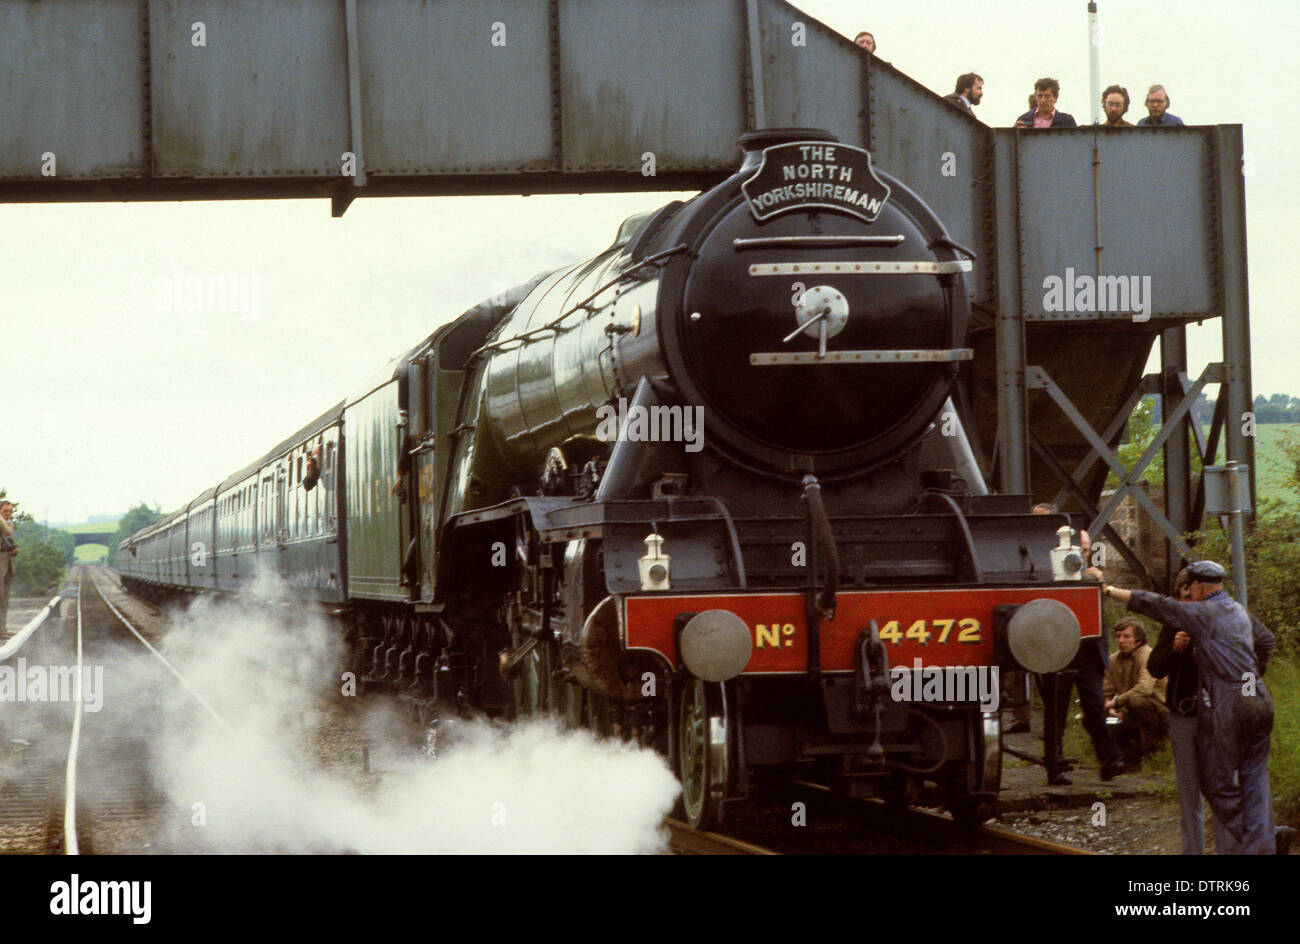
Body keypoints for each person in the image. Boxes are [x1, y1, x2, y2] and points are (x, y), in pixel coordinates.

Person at [1104, 560, 1276, 853]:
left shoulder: (1202, 613)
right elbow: (1157, 666)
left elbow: (1152, 603)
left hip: (1226, 707)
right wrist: (1247, 678)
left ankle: (1253, 841)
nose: (1187, 599)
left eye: (1190, 591)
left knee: (1216, 785)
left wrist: (1108, 590)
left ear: (1197, 587)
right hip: (1255, 701)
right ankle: (1264, 844)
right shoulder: (1235, 609)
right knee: (1254, 779)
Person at [1104, 617, 1168, 762]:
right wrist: (1109, 707)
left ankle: (1152, 750)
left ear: (1138, 640)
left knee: (1137, 702)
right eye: (1118, 636)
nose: (1120, 640)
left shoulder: (1147, 654)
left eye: (1126, 636)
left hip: (1159, 712)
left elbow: (1144, 688)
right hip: (1130, 712)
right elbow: (1106, 691)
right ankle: (1125, 754)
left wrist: (1115, 703)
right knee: (1094, 716)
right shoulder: (1113, 660)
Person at [0, 500, 18, 634]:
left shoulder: (9, 524)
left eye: (10, 511)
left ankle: (2, 629)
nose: (8, 514)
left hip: (8, 562)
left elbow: (9, 540)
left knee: (5, 596)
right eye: (5, 511)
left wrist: (13, 549)